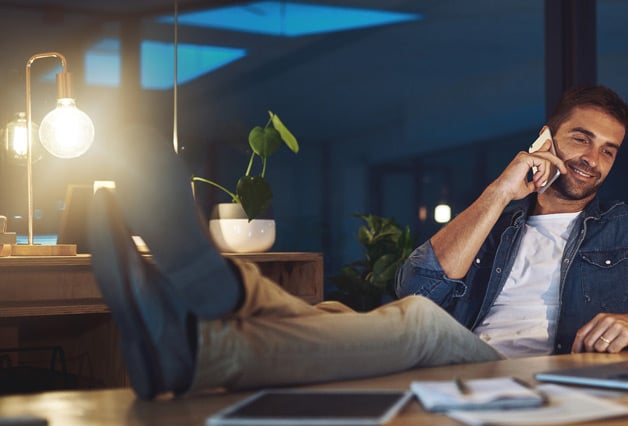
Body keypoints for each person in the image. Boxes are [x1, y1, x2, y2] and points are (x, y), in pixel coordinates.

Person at [89, 127, 501, 400]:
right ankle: (195, 338)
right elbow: (418, 282)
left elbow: (420, 302)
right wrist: (501, 190)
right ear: (543, 141)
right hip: (480, 354)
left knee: (423, 323)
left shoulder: (571, 230)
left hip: (522, 368)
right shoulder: (508, 215)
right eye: (570, 136)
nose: (570, 157)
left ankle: (227, 292)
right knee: (329, 315)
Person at [396, 85, 628, 357]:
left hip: (570, 380)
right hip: (473, 371)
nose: (592, 159)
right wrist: (500, 191)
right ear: (545, 140)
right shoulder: (491, 227)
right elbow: (416, 294)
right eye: (581, 139)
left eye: (607, 151)